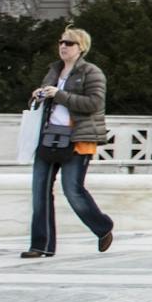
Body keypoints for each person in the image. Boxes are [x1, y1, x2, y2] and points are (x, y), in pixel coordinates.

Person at [21, 25, 115, 260]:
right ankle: (41, 245)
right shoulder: (53, 71)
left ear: (81, 47)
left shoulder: (92, 72)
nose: (63, 46)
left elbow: (94, 103)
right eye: (61, 42)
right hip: (48, 137)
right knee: (39, 192)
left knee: (73, 190)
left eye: (69, 43)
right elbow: (48, 100)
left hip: (77, 139)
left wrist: (59, 95)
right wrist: (38, 95)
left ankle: (102, 227)